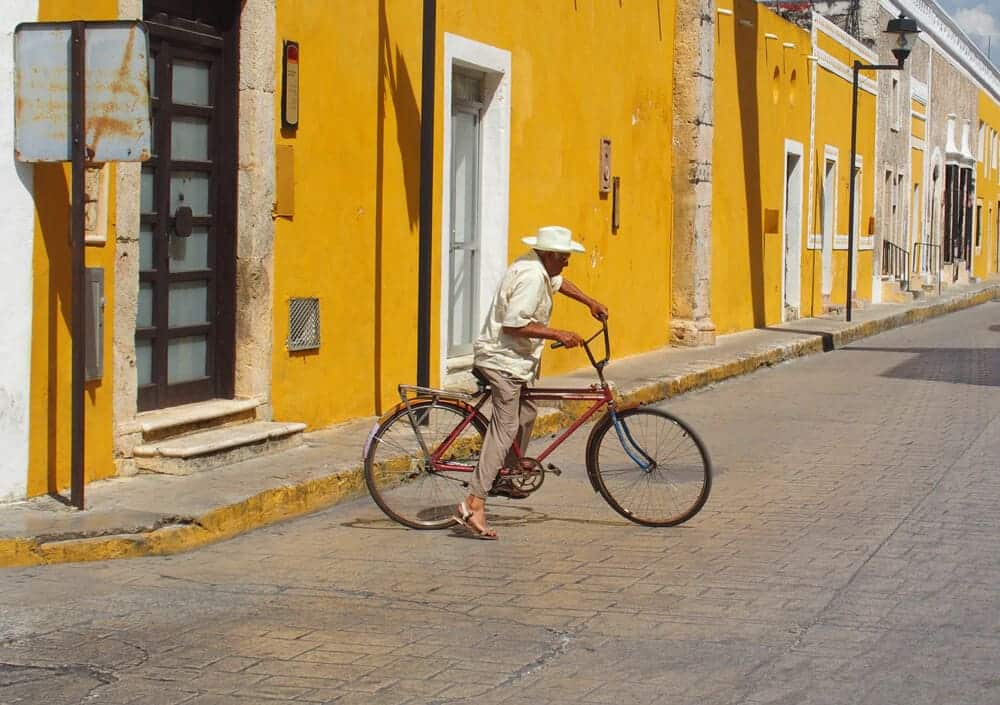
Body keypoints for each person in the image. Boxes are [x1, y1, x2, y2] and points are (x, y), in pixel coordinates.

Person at [453, 225, 608, 539]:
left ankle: (506, 474)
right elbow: (514, 324)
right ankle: (474, 502)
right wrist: (558, 333)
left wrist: (589, 301)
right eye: (564, 257)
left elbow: (560, 283)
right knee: (506, 426)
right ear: (550, 254)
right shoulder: (531, 278)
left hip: (516, 361)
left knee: (527, 412)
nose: (567, 262)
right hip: (502, 360)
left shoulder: (538, 267)